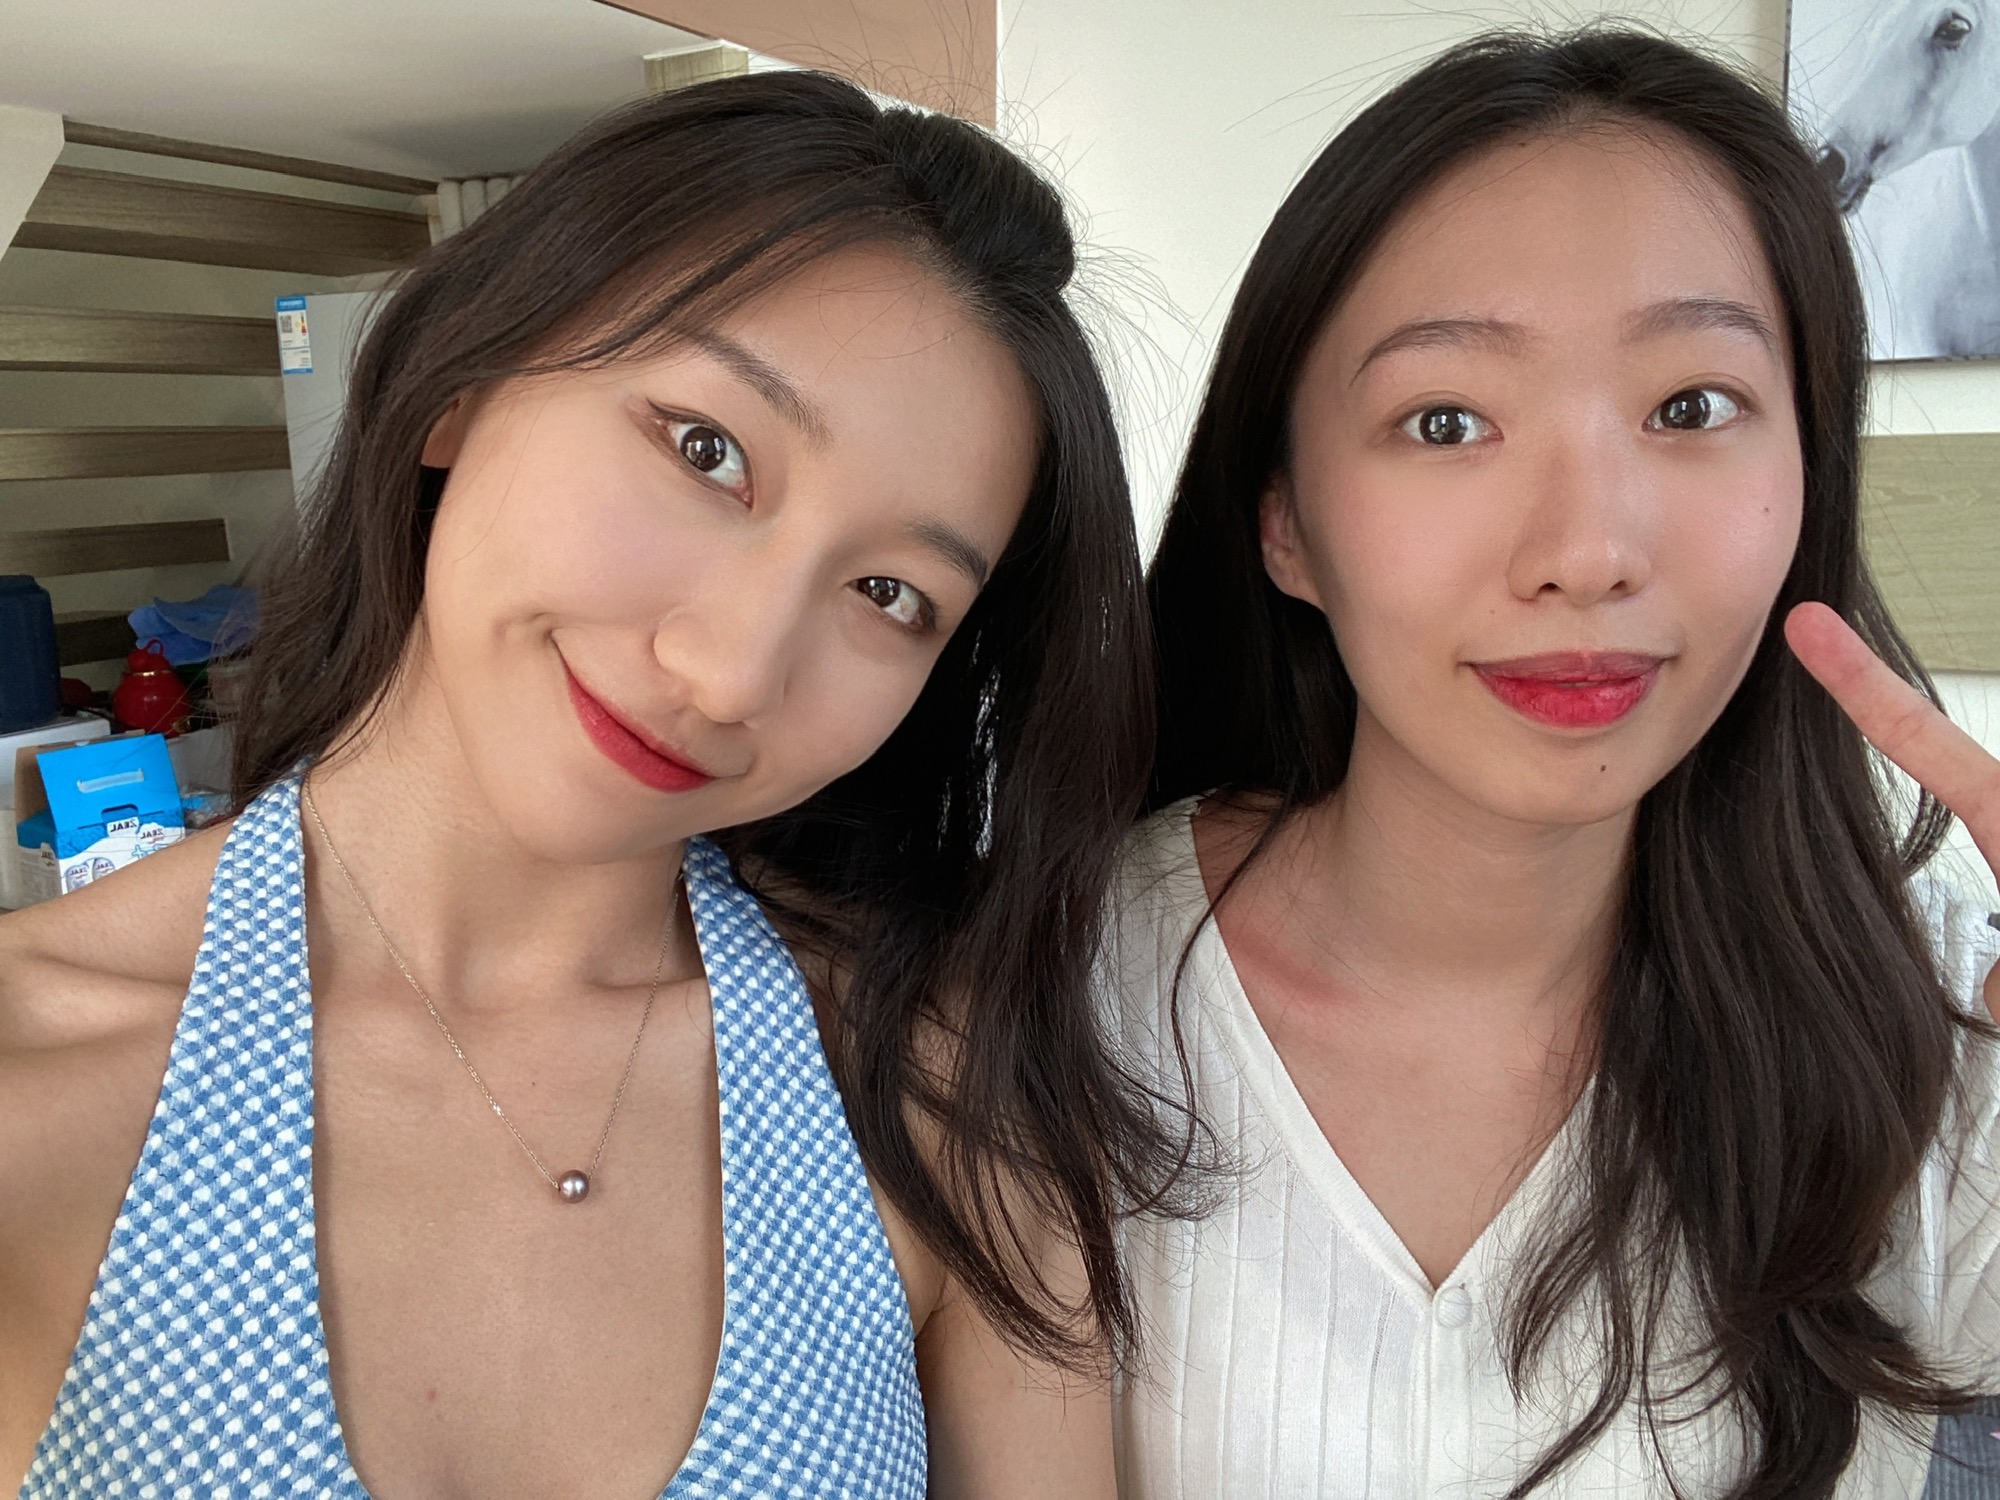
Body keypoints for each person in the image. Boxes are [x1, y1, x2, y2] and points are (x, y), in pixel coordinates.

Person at [0, 70, 1179, 1499]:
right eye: (707, 452)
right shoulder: (35, 1078)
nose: (732, 671)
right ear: (461, 384)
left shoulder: (935, 1094)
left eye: (889, 593)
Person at [1111, 29, 2000, 1499]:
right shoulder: (1029, 994)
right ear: (1284, 523)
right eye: (1446, 421)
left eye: (1691, 407)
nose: (1587, 552)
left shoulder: (1939, 1027)